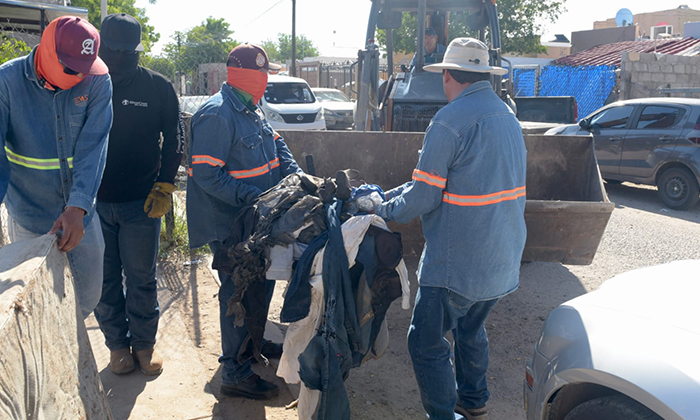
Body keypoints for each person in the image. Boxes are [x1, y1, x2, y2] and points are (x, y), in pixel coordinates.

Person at [375, 38, 527, 420]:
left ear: (446, 76)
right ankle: (474, 402)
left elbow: (425, 195)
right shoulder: (508, 117)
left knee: (425, 343)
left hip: (456, 263)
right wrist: (393, 193)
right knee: (470, 328)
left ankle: (443, 415)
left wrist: (383, 208)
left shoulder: (449, 121)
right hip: (501, 257)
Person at [187, 44, 301, 400]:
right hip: (232, 225)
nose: (268, 81)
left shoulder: (251, 107)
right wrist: (255, 198)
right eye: (264, 75)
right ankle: (234, 373)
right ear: (251, 77)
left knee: (262, 284)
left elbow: (277, 144)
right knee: (238, 293)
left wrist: (295, 175)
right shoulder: (218, 115)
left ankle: (253, 342)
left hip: (258, 221)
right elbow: (206, 175)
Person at [0, 16, 112, 319]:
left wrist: (78, 207)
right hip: (29, 216)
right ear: (48, 52)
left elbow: (94, 148)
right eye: (71, 68)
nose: (79, 76)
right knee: (33, 310)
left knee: (87, 297)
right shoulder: (6, 83)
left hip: (80, 216)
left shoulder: (98, 80)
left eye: (85, 68)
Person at [94, 13, 184, 377]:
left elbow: (175, 139)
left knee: (142, 276)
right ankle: (117, 346)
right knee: (105, 278)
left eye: (124, 51)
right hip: (93, 203)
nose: (117, 58)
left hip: (141, 203)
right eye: (110, 50)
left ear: (136, 51)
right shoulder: (88, 83)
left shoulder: (157, 88)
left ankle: (144, 345)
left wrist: (165, 184)